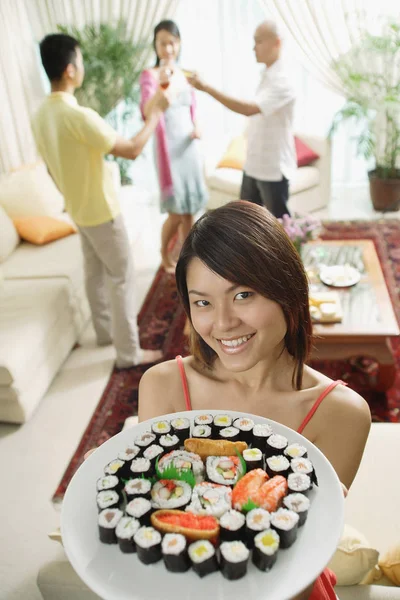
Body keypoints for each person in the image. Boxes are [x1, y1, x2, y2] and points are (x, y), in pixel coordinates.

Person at [138, 201, 371, 599]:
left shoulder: (341, 413)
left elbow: (293, 568)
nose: (224, 323)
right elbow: (159, 523)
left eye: (243, 294)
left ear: (288, 290)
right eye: (203, 302)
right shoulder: (163, 385)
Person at [32, 33, 169, 369]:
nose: (82, 67)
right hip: (101, 210)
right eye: (79, 60)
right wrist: (155, 115)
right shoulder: (78, 116)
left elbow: (51, 168)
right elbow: (133, 150)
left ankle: (106, 333)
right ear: (69, 69)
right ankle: (128, 354)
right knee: (121, 276)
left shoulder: (40, 115)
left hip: (77, 208)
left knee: (94, 273)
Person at [188, 21, 296, 219]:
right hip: (254, 164)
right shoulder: (266, 75)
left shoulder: (283, 80)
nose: (253, 47)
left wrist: (206, 88)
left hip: (273, 168)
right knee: (245, 222)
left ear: (277, 43)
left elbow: (248, 109)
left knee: (280, 228)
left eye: (259, 41)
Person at [139, 20, 208, 273]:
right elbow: (147, 112)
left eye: (172, 42)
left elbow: (194, 110)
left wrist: (198, 127)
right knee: (176, 212)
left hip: (188, 146)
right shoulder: (149, 76)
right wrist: (163, 85)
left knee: (190, 210)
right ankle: (164, 253)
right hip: (167, 149)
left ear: (178, 44)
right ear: (155, 46)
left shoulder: (187, 74)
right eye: (162, 43)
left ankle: (187, 257)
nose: (168, 48)